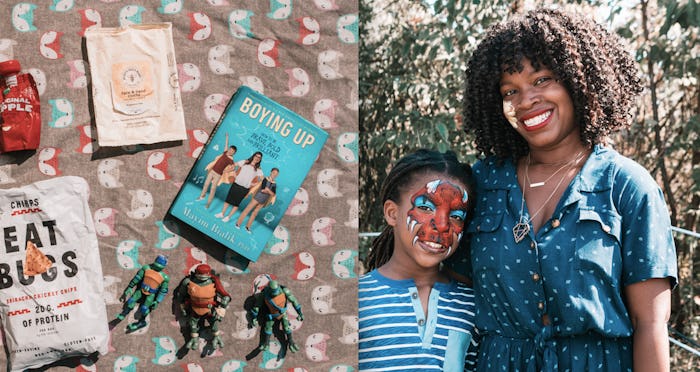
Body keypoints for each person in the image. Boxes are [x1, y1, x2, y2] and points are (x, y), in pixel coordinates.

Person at [446, 8, 678, 371]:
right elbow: (449, 291)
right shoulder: (481, 184)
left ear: (578, 80)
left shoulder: (627, 188)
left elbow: (650, 325)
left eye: (542, 80)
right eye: (510, 90)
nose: (526, 101)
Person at [359, 149, 479, 371]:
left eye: (456, 216)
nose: (442, 225)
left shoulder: (472, 305)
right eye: (425, 207)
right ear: (392, 213)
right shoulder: (355, 298)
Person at [216, 151, 264, 222]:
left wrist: (254, 184)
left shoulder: (258, 169)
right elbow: (234, 165)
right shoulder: (245, 162)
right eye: (256, 156)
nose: (257, 158)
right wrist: (233, 172)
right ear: (253, 156)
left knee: (236, 204)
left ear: (260, 160)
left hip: (244, 188)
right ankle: (222, 213)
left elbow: (262, 179)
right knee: (228, 200)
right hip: (236, 184)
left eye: (259, 158)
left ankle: (228, 217)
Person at [197, 133, 236, 209]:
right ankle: (202, 196)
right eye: (230, 150)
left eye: (232, 151)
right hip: (212, 171)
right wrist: (227, 137)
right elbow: (226, 144)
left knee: (213, 189)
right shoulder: (225, 152)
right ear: (229, 149)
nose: (231, 151)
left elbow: (233, 168)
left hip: (218, 175)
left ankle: (208, 204)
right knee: (206, 184)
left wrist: (226, 171)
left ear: (234, 153)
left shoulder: (231, 159)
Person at [235, 167, 279, 232]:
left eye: (276, 174)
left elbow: (273, 194)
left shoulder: (275, 184)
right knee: (247, 210)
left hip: (263, 201)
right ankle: (238, 223)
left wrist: (268, 190)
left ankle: (247, 227)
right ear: (271, 172)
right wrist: (269, 191)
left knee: (255, 214)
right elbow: (263, 190)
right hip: (257, 197)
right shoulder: (265, 179)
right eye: (274, 173)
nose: (275, 174)